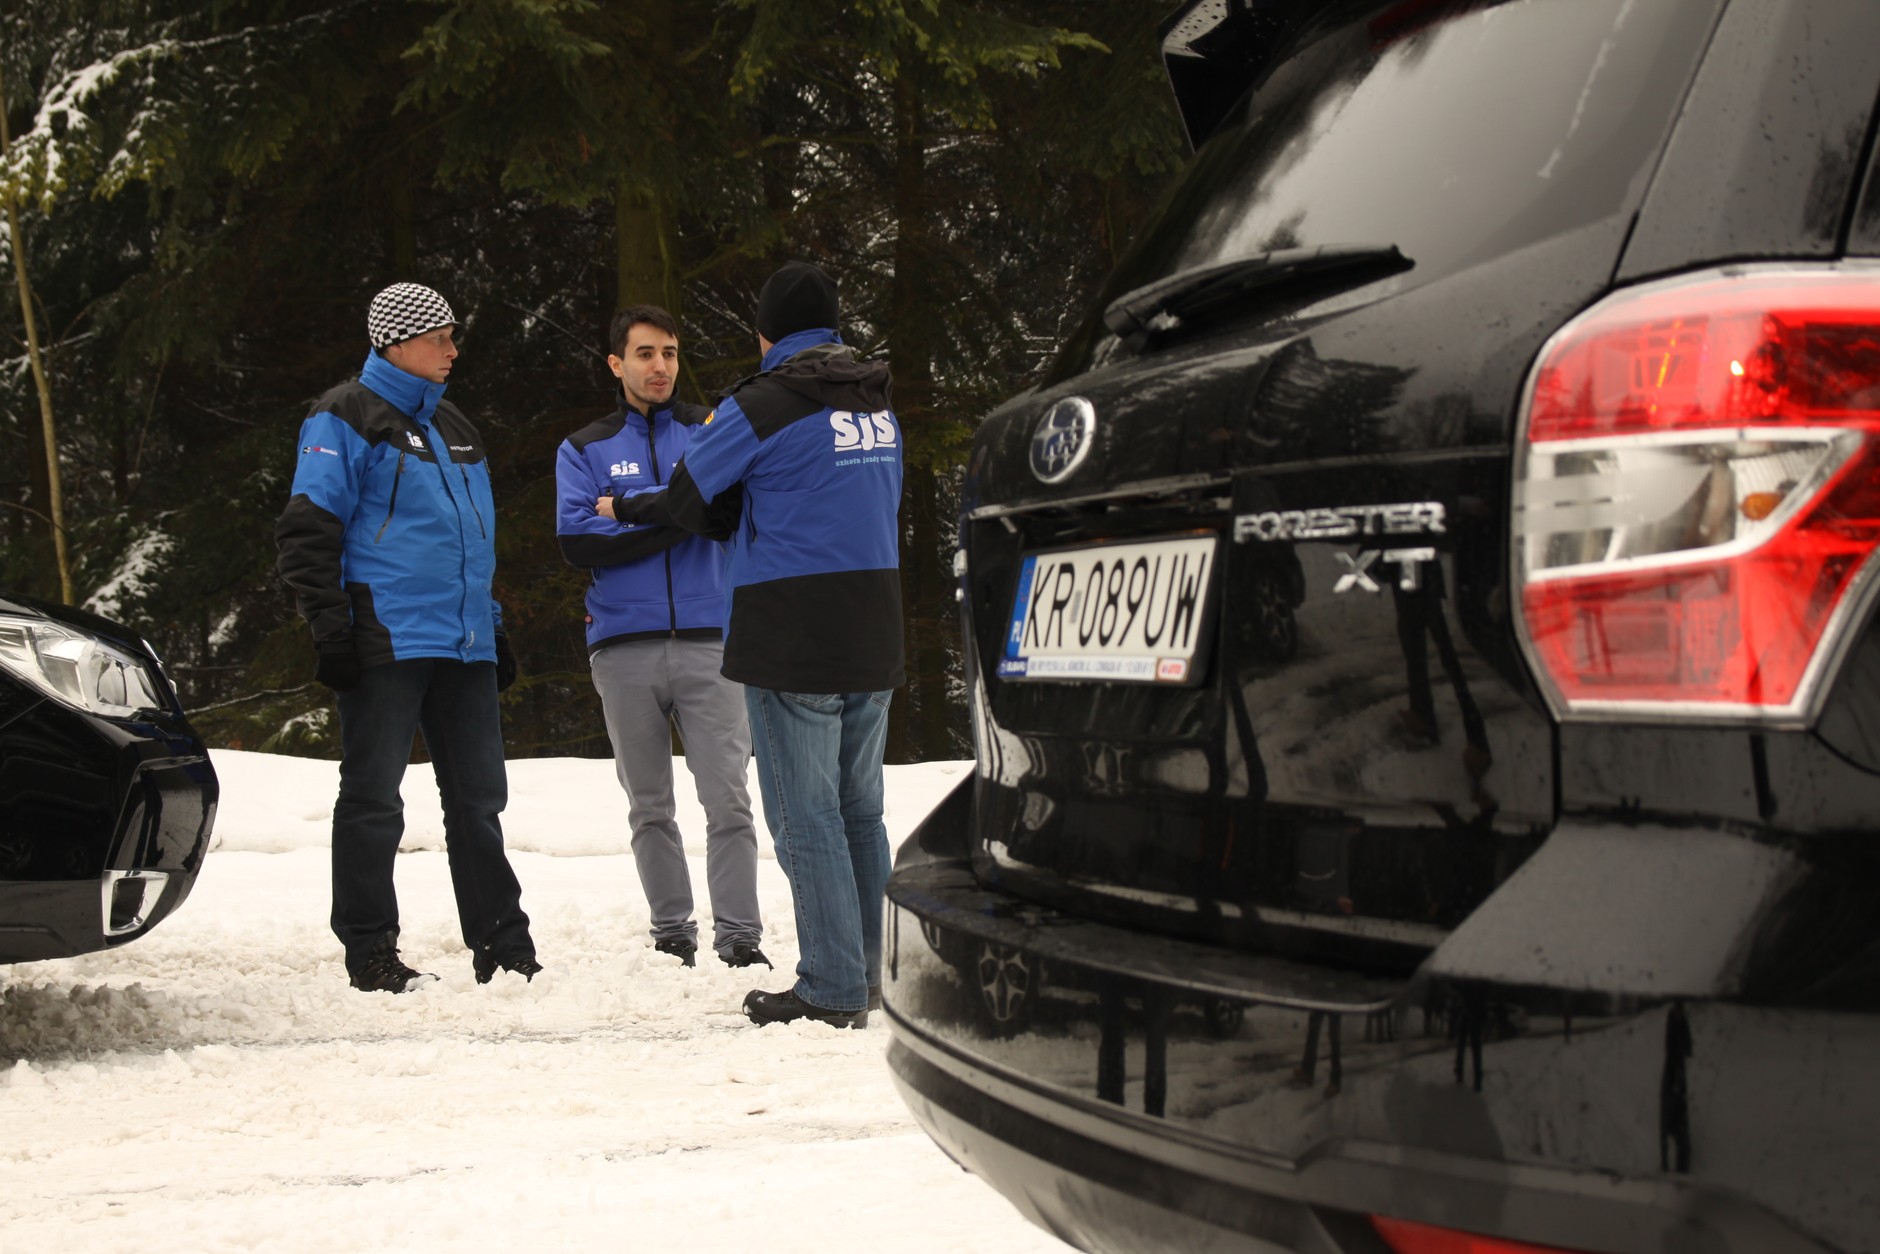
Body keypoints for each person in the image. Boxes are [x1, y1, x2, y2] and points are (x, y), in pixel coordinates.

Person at [612, 261, 902, 1029]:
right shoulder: (877, 402)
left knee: (805, 814)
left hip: (789, 626)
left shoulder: (762, 402)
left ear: (766, 332)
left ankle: (833, 986)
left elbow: (689, 496)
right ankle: (878, 973)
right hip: (874, 619)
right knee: (860, 810)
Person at [274, 282, 541, 993]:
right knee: (373, 799)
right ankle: (371, 953)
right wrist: (332, 629)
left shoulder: (455, 423)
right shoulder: (344, 416)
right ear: (396, 342)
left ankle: (505, 949)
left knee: (480, 801)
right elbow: (308, 529)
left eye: (454, 338)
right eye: (441, 338)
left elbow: (470, 542)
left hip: (463, 641)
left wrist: (493, 625)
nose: (454, 350)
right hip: (385, 634)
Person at [553, 305, 767, 970]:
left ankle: (739, 938)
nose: (660, 367)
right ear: (616, 363)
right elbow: (577, 539)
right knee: (649, 803)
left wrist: (631, 513)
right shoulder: (583, 447)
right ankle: (672, 932)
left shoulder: (712, 429)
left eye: (670, 353)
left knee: (728, 798)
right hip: (621, 646)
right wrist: (681, 511)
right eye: (645, 354)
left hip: (712, 640)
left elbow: (731, 514)